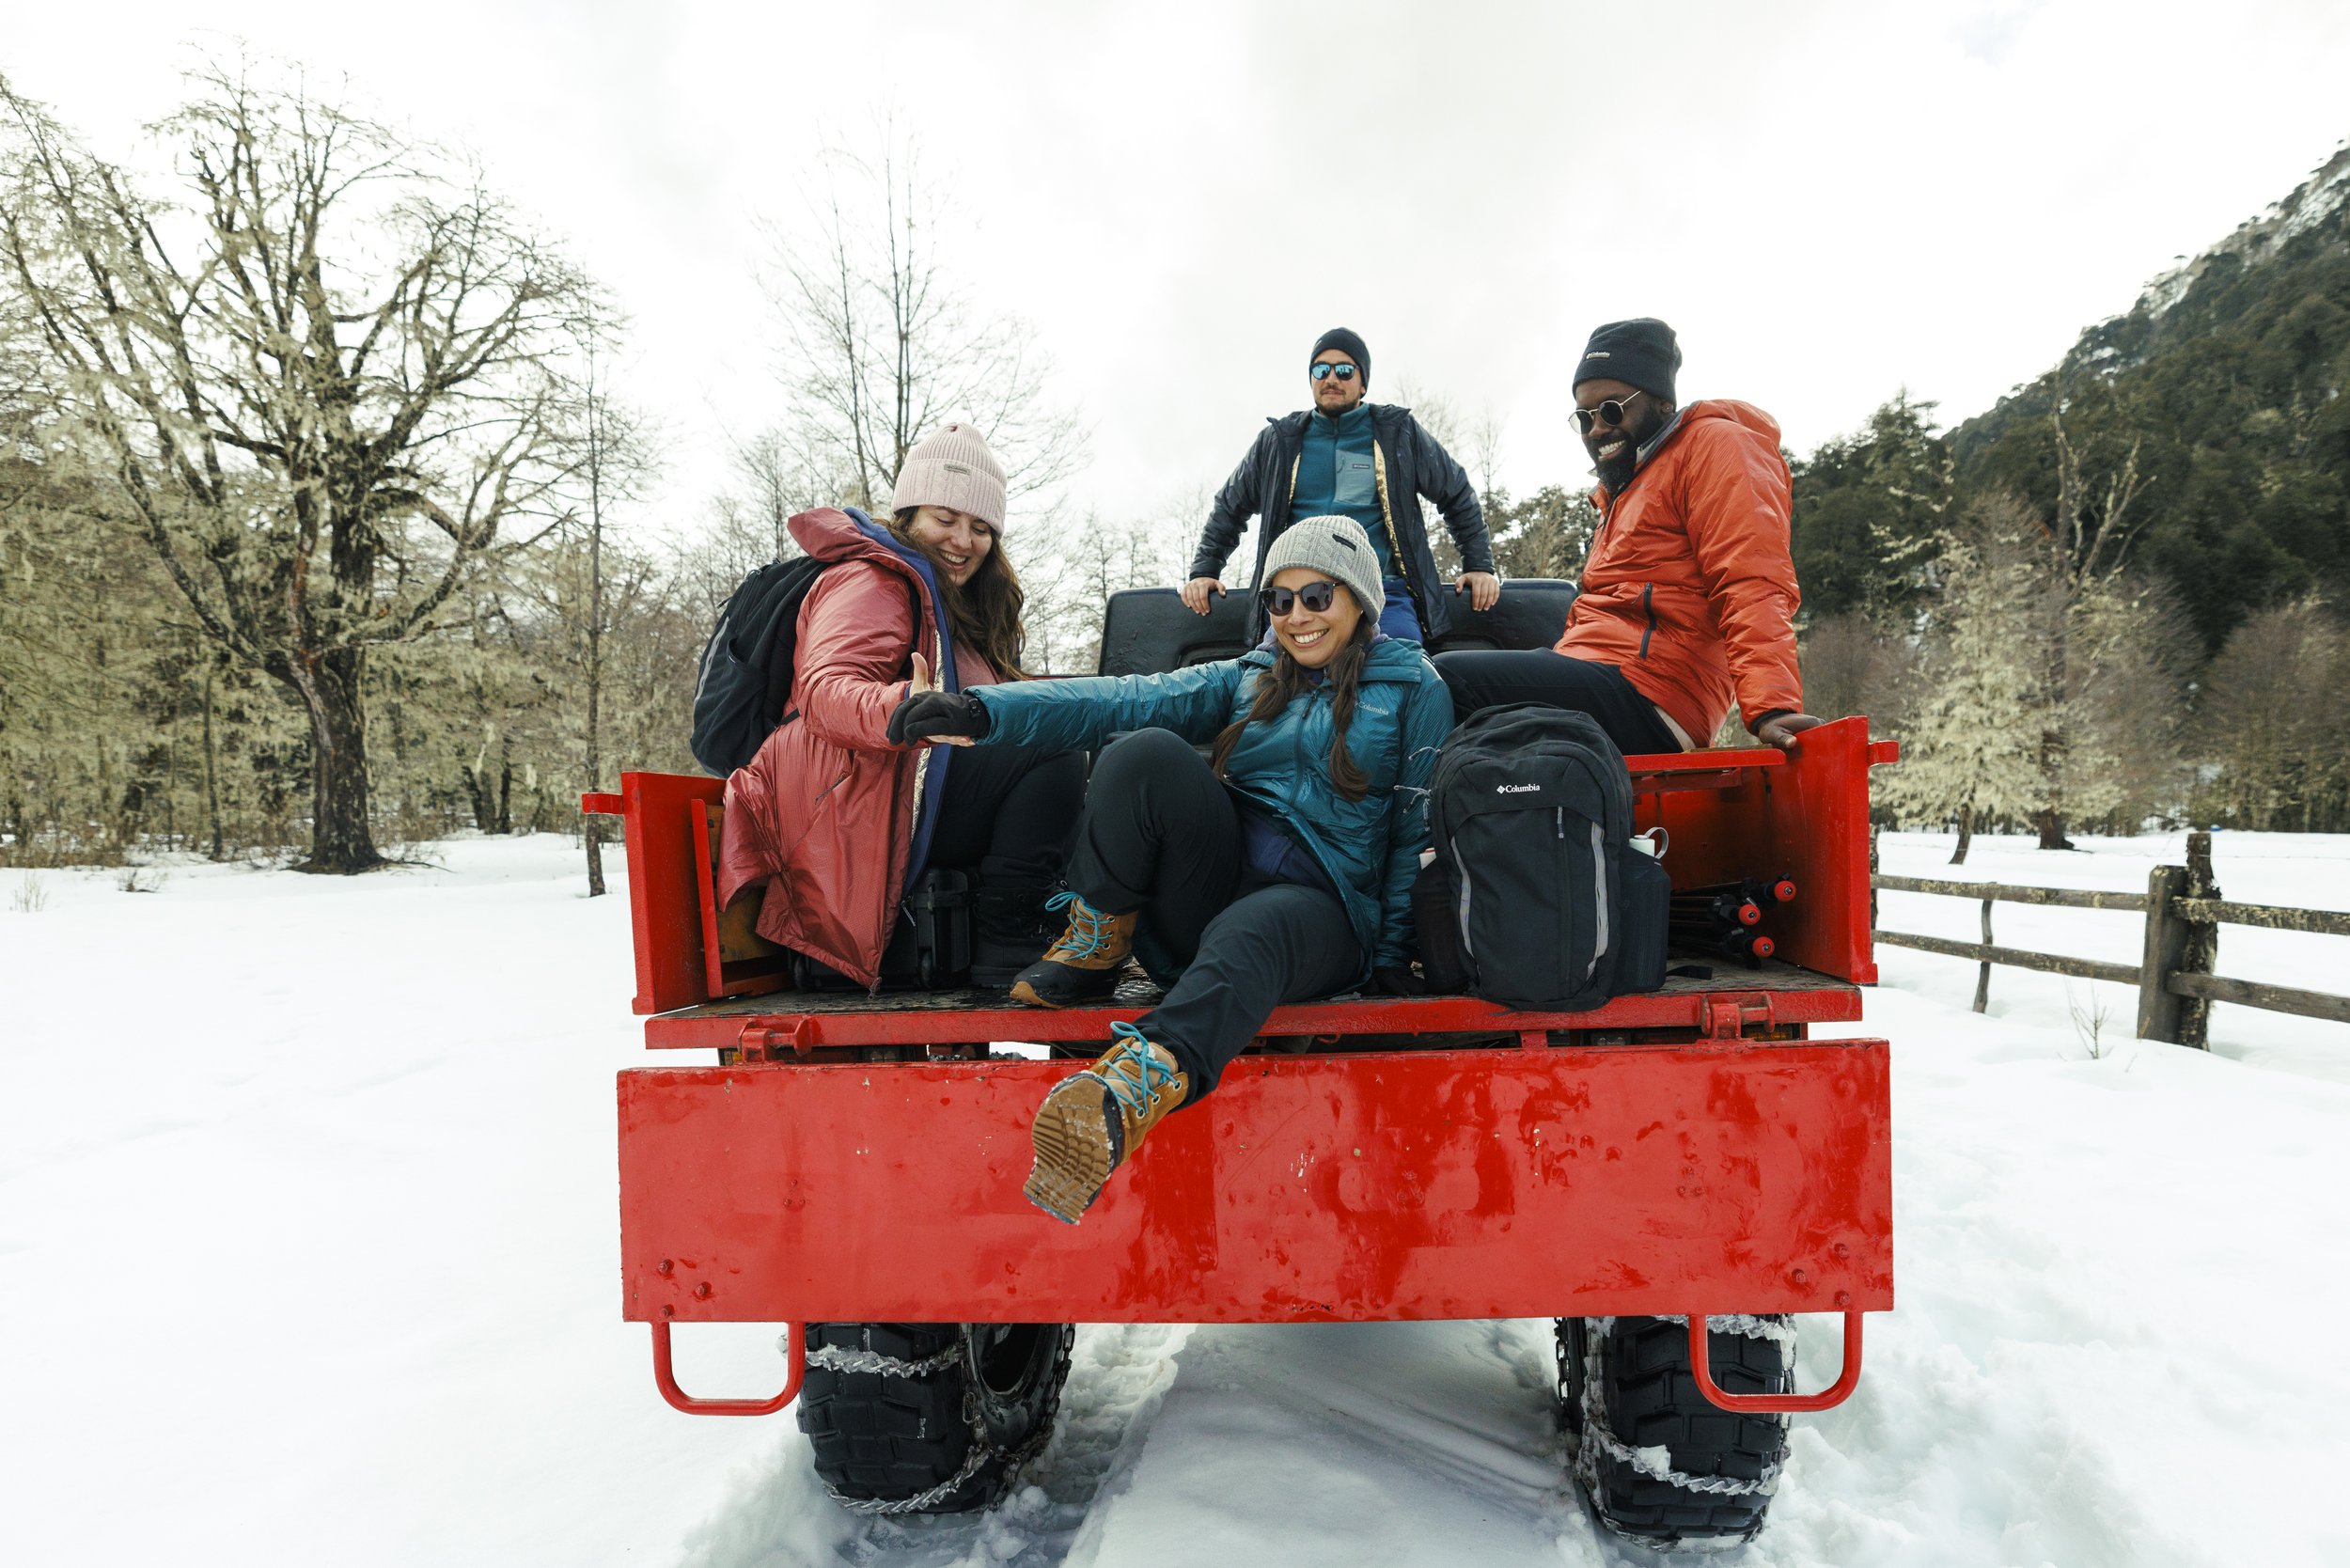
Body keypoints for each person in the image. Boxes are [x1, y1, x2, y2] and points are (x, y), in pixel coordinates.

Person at [888, 516, 1453, 1223]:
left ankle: (1127, 1092)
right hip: (1212, 895)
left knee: (1256, 930)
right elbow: (1122, 697)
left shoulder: (1414, 688)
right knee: (1143, 749)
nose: (1296, 618)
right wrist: (979, 712)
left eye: (1317, 596)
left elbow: (1412, 830)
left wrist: (1394, 951)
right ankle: (1097, 943)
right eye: (1278, 601)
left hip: (1325, 911)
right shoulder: (1248, 678)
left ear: (1360, 599)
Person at [717, 423, 1085, 990]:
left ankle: (1058, 921)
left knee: (1069, 725)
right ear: (909, 514)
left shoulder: (954, 607)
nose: (964, 540)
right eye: (946, 519)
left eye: (981, 527)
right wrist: (901, 707)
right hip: (843, 808)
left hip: (894, 791)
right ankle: (1010, 935)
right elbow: (825, 688)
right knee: (1054, 745)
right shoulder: (873, 580)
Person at [1434, 318, 1823, 756]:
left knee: (1444, 681)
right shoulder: (1626, 486)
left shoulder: (1715, 446)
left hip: (1656, 692)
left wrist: (1771, 706)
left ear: (1660, 402)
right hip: (1601, 670)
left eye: (1613, 409)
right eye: (1584, 417)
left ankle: (1399, 822)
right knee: (1418, 674)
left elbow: (1751, 578)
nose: (1597, 428)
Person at [1182, 327, 1499, 646]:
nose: (1331, 378)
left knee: (1403, 669)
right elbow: (1229, 507)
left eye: (1345, 370)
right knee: (1266, 682)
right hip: (1295, 600)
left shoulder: (1397, 433)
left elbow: (1456, 494)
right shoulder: (1279, 442)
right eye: (1321, 369)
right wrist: (1204, 572)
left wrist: (1479, 566)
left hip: (1380, 594)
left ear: (1363, 383)